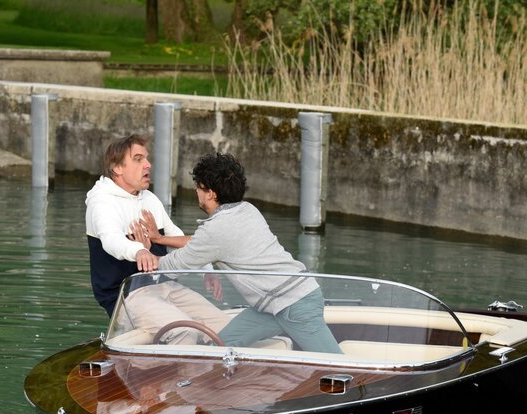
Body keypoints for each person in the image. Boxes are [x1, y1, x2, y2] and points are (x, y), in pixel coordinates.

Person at [137, 152, 342, 354]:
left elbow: (177, 263)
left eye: (198, 187)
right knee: (218, 350)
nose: (196, 193)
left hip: (296, 304)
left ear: (210, 193)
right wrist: (160, 239)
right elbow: (203, 242)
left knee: (337, 368)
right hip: (272, 305)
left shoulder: (215, 230)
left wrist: (143, 252)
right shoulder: (247, 210)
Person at [85, 134, 229, 344]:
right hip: (128, 296)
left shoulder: (149, 199)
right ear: (117, 167)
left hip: (167, 286)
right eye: (138, 159)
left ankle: (226, 374)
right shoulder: (102, 202)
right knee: (184, 331)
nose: (147, 164)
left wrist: (206, 269)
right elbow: (111, 240)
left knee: (226, 328)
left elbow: (175, 237)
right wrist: (139, 251)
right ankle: (182, 378)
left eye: (146, 158)